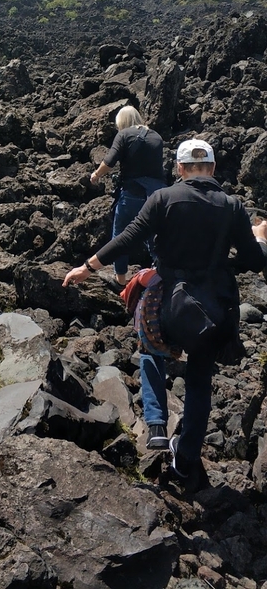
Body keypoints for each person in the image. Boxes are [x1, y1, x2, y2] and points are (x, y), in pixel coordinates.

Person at [63, 138, 267, 487]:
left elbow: (128, 237)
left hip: (169, 304)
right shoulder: (231, 206)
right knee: (200, 384)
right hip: (212, 311)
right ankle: (185, 462)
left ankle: (156, 428)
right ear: (213, 169)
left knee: (150, 348)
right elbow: (254, 261)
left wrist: (87, 267)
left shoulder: (164, 198)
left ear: (179, 168)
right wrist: (260, 236)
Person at [90, 105, 164, 290]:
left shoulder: (124, 135)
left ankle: (121, 280)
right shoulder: (156, 136)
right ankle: (162, 276)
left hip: (132, 193)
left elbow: (109, 161)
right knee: (153, 237)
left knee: (121, 236)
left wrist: (96, 175)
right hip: (157, 195)